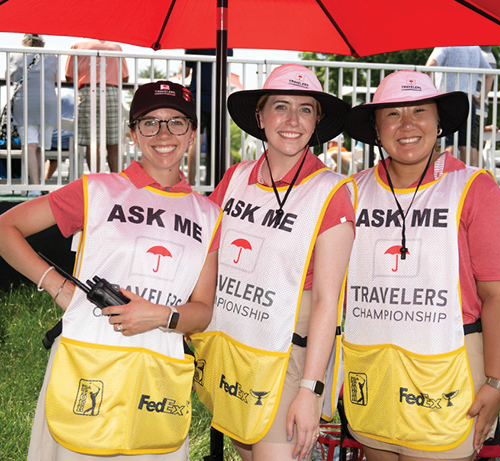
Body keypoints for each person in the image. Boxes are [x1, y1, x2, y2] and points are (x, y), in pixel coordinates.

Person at [0, 80, 222, 460]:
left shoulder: (209, 215)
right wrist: (58, 287)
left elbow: (202, 311)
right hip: (86, 362)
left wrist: (161, 316)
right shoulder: (97, 190)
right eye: (150, 122)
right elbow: (6, 228)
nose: (163, 133)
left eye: (177, 122)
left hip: (157, 375)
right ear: (132, 133)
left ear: (193, 134)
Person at [343, 70, 500, 461]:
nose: (407, 125)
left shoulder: (475, 188)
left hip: (448, 367)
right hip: (372, 370)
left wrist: (497, 383)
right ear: (375, 126)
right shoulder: (351, 192)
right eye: (392, 114)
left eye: (420, 110)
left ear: (439, 120)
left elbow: (498, 297)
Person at [191, 64, 356, 461]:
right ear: (260, 116)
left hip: (288, 361)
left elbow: (326, 303)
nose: (291, 120)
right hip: (231, 354)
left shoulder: (330, 191)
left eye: (305, 109)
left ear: (317, 121)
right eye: (280, 106)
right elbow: (203, 256)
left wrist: (309, 391)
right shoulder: (235, 177)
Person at [64, 39, 129, 173]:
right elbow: (125, 78)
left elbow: (69, 77)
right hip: (111, 91)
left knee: (92, 142)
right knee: (113, 141)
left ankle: (97, 179)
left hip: (87, 91)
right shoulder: (116, 46)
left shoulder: (77, 45)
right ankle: (115, 181)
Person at [8, 34, 58, 196]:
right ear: (42, 42)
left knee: (30, 145)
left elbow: (10, 77)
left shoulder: (15, 54)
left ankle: (35, 186)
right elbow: (55, 78)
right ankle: (40, 182)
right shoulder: (52, 56)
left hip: (24, 103)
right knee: (41, 147)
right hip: (48, 103)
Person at [426, 46, 493, 166]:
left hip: (448, 98)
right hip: (468, 99)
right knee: (466, 144)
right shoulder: (475, 48)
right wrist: (481, 98)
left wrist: (433, 92)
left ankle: (445, 178)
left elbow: (430, 66)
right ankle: (465, 178)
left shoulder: (446, 45)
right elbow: (490, 74)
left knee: (447, 142)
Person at [184, 48, 233, 185]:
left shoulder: (194, 44)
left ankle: (191, 184)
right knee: (222, 141)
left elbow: (185, 72)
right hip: (219, 98)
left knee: (194, 140)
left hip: (198, 97)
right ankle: (229, 183)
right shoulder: (226, 45)